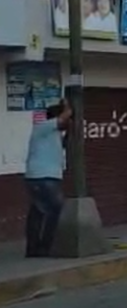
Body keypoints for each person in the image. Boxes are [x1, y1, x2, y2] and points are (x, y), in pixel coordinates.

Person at [25, 99, 71, 258]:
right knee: (55, 209)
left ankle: (33, 248)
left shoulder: (53, 134)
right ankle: (45, 247)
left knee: (38, 211)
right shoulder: (43, 127)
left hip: (41, 176)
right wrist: (67, 106)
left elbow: (64, 144)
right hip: (43, 177)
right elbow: (65, 117)